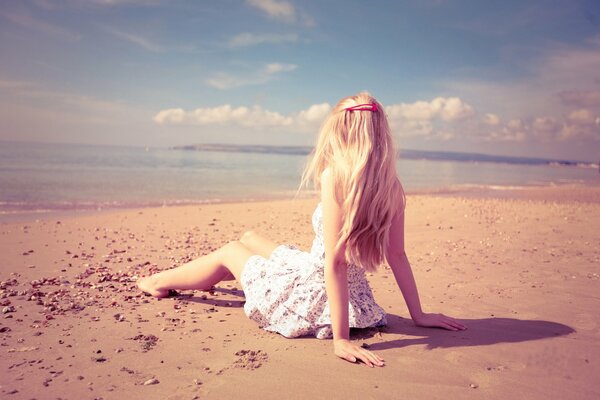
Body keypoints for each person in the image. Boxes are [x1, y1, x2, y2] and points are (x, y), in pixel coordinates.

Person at [137, 92, 466, 367]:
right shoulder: (391, 185)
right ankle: (214, 277)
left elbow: (335, 263)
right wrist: (418, 315)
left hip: (316, 290)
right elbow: (397, 254)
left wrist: (340, 340)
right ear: (380, 131)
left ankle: (156, 282)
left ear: (340, 131)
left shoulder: (335, 176)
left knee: (229, 251)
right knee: (251, 238)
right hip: (351, 291)